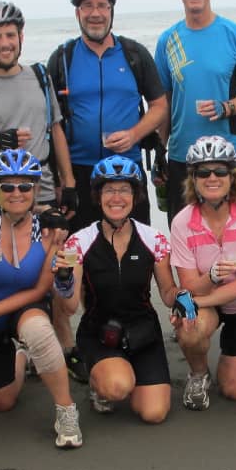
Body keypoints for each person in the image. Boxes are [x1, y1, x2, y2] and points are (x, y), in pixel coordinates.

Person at [45, 0, 168, 383]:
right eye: (87, 6)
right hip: (80, 173)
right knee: (80, 257)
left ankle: (137, 324)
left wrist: (134, 134)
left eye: (102, 5)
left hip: (126, 173)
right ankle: (90, 333)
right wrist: (64, 180)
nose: (95, 13)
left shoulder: (133, 55)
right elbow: (54, 123)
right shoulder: (61, 58)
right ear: (77, 12)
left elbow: (159, 105)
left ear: (112, 10)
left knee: (138, 253)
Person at [0, 149, 83, 449]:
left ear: (36, 190)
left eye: (24, 186)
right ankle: (21, 357)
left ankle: (66, 411)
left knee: (39, 330)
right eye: (7, 186)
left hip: (22, 305)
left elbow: (41, 290)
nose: (16, 193)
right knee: (3, 402)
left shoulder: (49, 229)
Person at [53, 156, 192, 424]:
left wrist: (183, 299)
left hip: (143, 332)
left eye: (124, 189)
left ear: (135, 195)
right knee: (117, 386)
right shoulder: (77, 243)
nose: (117, 197)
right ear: (98, 195)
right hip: (99, 332)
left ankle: (127, 370)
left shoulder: (155, 239)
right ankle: (100, 381)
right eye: (109, 189)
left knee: (154, 413)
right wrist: (63, 280)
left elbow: (166, 293)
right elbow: (69, 307)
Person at [155, 0, 236, 227]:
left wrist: (225, 107)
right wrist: (160, 150)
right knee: (184, 236)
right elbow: (163, 102)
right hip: (181, 155)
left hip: (229, 154)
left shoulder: (233, 34)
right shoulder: (168, 40)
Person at [168, 136, 236, 410]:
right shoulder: (182, 222)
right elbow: (189, 284)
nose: (212, 177)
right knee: (189, 329)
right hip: (210, 301)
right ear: (193, 179)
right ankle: (198, 373)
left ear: (232, 177)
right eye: (203, 172)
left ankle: (233, 353)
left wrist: (193, 302)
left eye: (220, 171)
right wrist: (210, 276)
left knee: (235, 389)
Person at [0, 1, 78, 214]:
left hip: (42, 193)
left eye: (10, 35)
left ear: (21, 37)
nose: (4, 43)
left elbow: (55, 131)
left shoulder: (40, 77)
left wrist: (70, 184)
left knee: (48, 249)